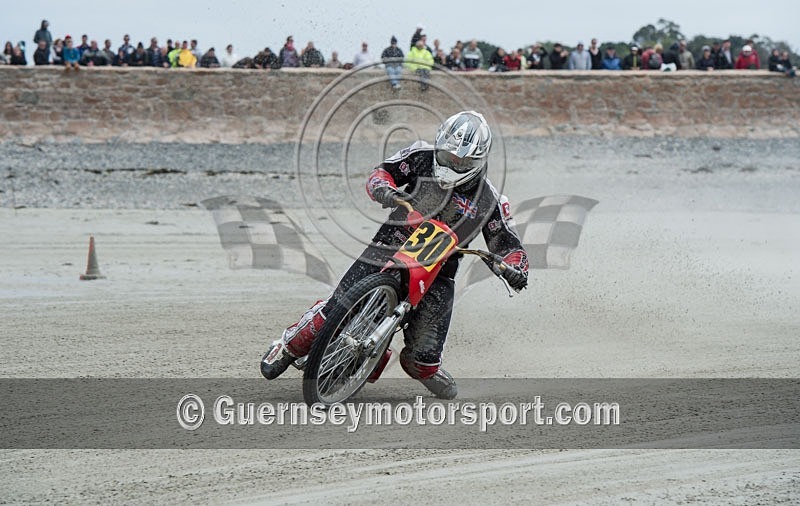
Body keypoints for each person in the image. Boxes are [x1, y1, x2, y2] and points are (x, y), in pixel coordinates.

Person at [260, 111, 529, 399]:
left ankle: (426, 369)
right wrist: (383, 188)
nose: (452, 163)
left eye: (461, 161)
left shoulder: (491, 200)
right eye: (448, 156)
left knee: (421, 361)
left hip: (440, 271)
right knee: (335, 308)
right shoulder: (420, 155)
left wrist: (514, 268)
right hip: (391, 243)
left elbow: (509, 245)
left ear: (478, 161)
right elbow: (382, 172)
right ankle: (288, 344)